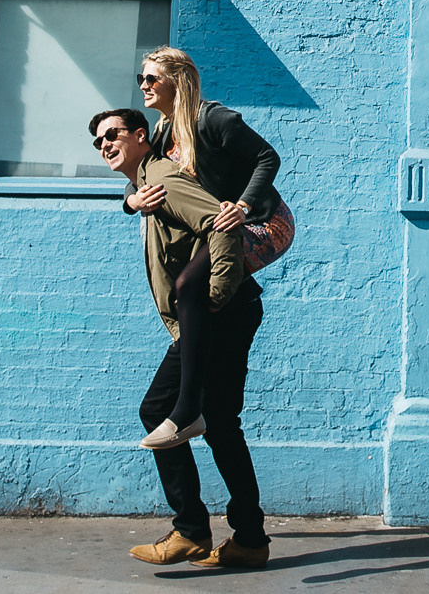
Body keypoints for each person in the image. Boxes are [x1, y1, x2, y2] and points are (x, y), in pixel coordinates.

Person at [90, 106, 270, 570]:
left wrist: (214, 296)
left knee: (157, 409)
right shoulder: (145, 185)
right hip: (228, 311)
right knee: (223, 423)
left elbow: (221, 223)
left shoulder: (162, 178)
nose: (105, 145)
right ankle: (249, 538)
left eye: (113, 135)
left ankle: (190, 530)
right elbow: (139, 199)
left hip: (218, 312)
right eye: (98, 142)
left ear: (140, 136)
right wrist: (129, 201)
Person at [135, 46, 296, 273]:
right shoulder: (163, 132)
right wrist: (133, 201)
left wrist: (243, 207)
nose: (143, 85)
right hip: (222, 225)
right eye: (141, 78)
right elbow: (141, 173)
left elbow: (268, 157)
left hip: (263, 222)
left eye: (151, 79)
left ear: (177, 81)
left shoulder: (212, 119)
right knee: (192, 283)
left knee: (192, 284)